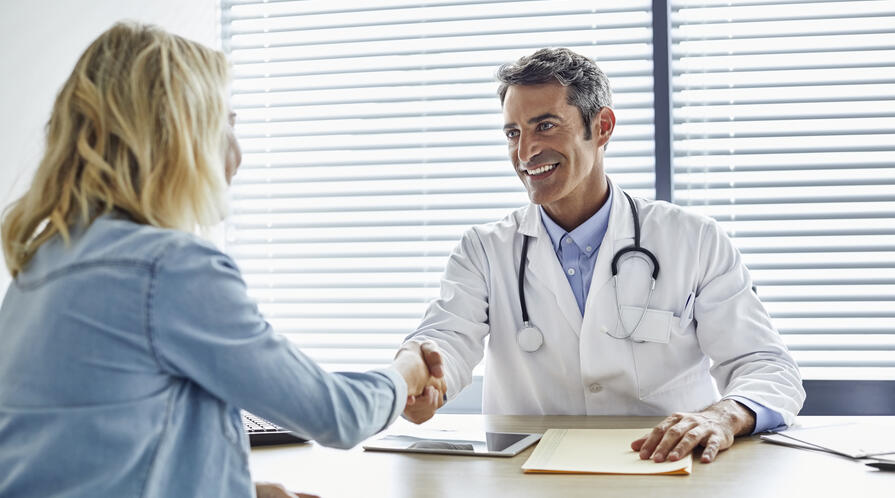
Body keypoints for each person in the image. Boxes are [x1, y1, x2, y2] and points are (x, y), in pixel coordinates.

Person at [0, 22, 444, 498]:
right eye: (227, 123)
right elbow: (337, 415)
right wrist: (407, 369)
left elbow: (94, 458)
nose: (238, 154)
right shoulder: (167, 267)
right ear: (179, 135)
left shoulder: (41, 268)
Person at [400, 48, 805, 464]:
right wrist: (419, 379)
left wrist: (725, 415)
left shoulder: (694, 238)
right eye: (513, 133)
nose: (525, 153)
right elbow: (445, 339)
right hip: (530, 477)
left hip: (665, 470)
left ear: (603, 126)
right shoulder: (483, 249)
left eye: (545, 126)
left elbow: (767, 366)